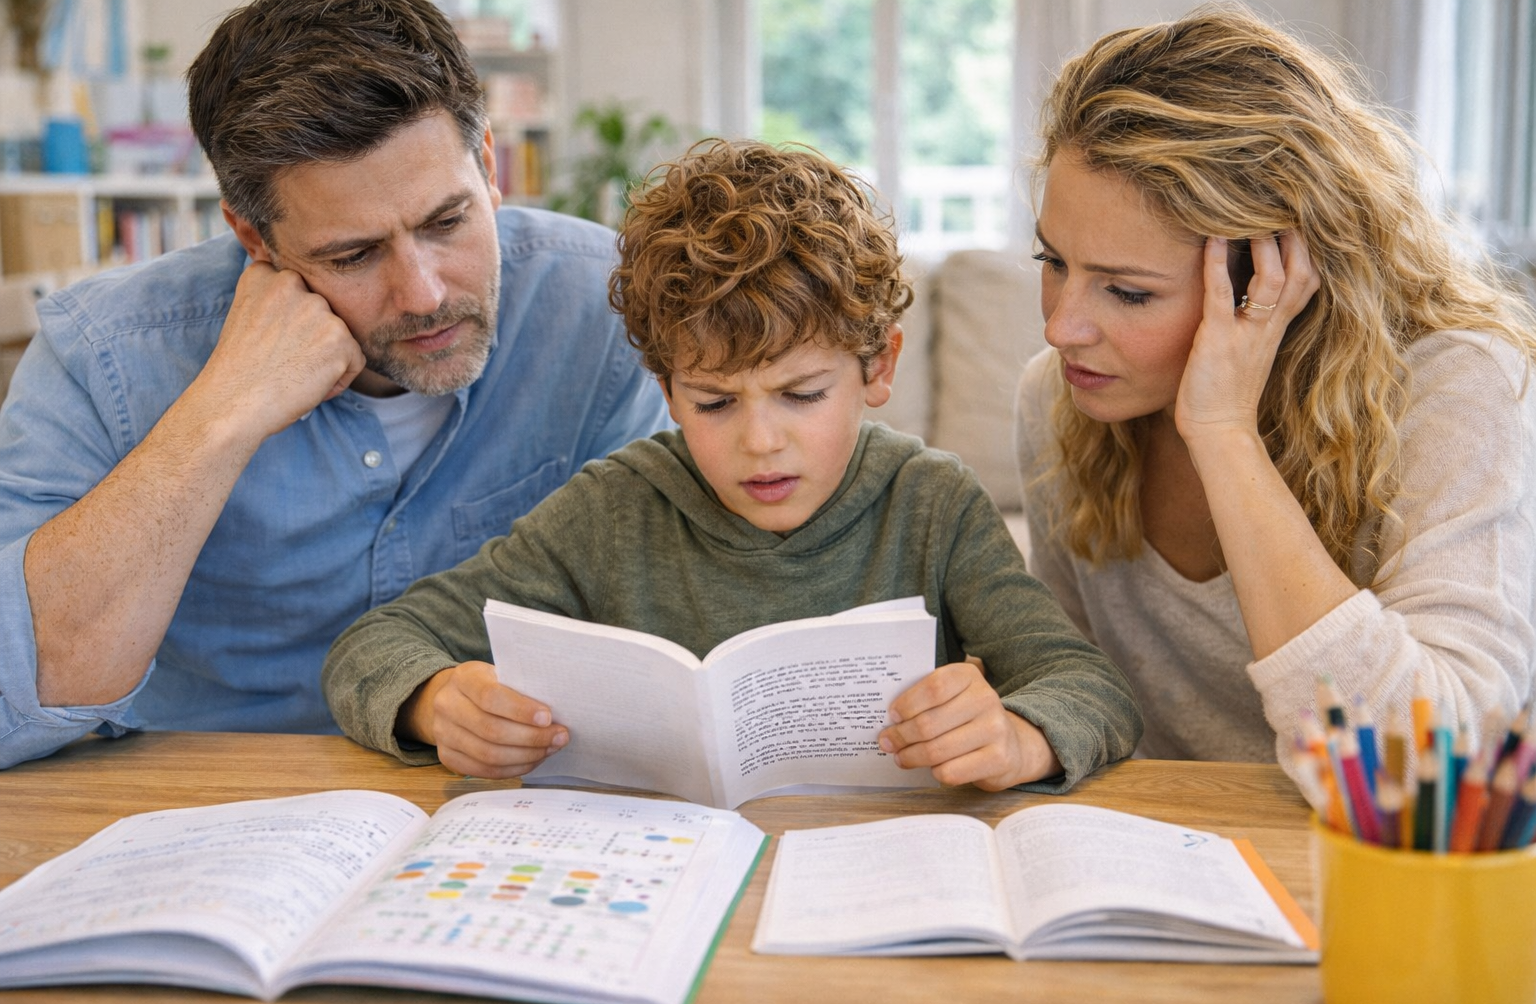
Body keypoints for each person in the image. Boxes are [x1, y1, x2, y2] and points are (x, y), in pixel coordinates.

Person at [323, 139, 1140, 792]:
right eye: (715, 402)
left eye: (802, 394)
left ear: (877, 367)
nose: (761, 441)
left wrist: (1018, 736)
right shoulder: (613, 509)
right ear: (667, 392)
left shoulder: (931, 506)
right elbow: (377, 644)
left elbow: (1085, 685)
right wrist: (435, 702)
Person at [0, 0, 669, 770]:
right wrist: (221, 414)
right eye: (354, 256)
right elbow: (20, 698)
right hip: (210, 803)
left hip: (504, 802)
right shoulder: (105, 357)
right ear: (255, 238)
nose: (422, 293)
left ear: (487, 163)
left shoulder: (601, 306)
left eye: (448, 220)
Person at [1013, 7, 1536, 769]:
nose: (1062, 328)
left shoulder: (1455, 388)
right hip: (1176, 850)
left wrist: (1225, 436)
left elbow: (1427, 764)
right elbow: (1077, 684)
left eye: (1126, 293)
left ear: (1272, 278)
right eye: (1053, 262)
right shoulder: (1058, 400)